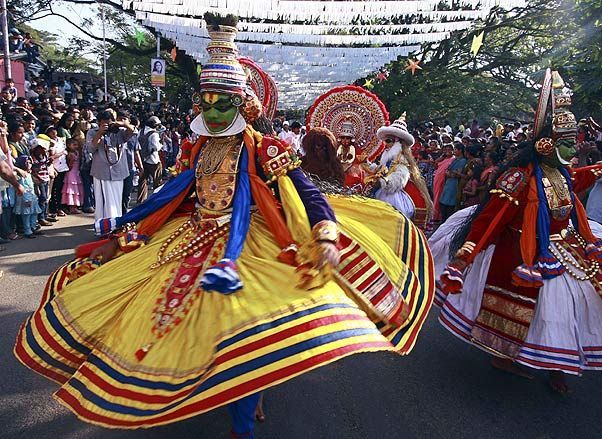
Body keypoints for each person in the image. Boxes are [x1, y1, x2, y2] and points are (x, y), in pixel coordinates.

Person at [15, 15, 433, 438]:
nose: (212, 112)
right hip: (190, 235)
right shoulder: (195, 146)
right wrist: (127, 227)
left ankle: (243, 422)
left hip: (250, 242)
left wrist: (325, 233)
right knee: (176, 322)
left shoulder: (265, 148)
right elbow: (173, 193)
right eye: (206, 102)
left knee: (245, 331)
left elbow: (311, 197)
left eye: (223, 104)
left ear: (242, 106)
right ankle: (200, 391)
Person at [430, 69, 602, 394]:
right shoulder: (519, 179)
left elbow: (580, 179)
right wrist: (464, 259)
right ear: (547, 144)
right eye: (567, 142)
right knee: (547, 313)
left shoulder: (561, 173)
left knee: (578, 307)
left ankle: (557, 363)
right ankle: (510, 358)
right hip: (524, 254)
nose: (575, 147)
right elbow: (490, 221)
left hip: (566, 246)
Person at [370, 113, 432, 224]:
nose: (386, 144)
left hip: (392, 196)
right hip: (382, 191)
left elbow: (400, 178)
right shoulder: (388, 157)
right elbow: (381, 169)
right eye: (386, 141)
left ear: (397, 142)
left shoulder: (401, 159)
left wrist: (383, 182)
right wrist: (368, 165)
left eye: (389, 141)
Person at [86, 110, 136, 226]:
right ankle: (102, 225)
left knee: (116, 200)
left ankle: (115, 224)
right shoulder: (92, 132)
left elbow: (134, 132)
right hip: (101, 172)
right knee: (101, 200)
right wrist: (100, 133)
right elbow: (90, 148)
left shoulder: (119, 131)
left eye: (109, 123)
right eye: (104, 123)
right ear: (99, 123)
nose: (108, 126)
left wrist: (123, 124)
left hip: (118, 171)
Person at [13, 155, 42, 239]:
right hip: (25, 197)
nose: (30, 164)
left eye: (30, 162)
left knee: (34, 212)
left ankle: (33, 227)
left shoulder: (29, 173)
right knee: (26, 214)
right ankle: (27, 231)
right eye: (27, 162)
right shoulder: (20, 175)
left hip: (32, 196)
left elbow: (32, 185)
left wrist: (36, 191)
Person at [136, 116, 163, 204]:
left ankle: (141, 200)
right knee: (157, 180)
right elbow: (156, 147)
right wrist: (161, 145)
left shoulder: (141, 131)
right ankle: (157, 199)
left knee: (143, 180)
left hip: (143, 159)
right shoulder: (154, 134)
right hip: (153, 160)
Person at [438, 143, 466, 220]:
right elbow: (448, 171)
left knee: (449, 205)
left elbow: (455, 174)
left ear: (460, 150)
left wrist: (450, 173)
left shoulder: (462, 161)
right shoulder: (455, 160)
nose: (454, 151)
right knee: (443, 203)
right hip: (448, 183)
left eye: (455, 149)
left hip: (454, 184)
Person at [61, 138, 83, 213]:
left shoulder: (77, 152)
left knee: (77, 189)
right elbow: (70, 165)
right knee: (72, 190)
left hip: (77, 172)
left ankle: (76, 205)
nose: (76, 146)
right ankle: (72, 207)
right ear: (68, 145)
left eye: (76, 145)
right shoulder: (70, 154)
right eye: (74, 145)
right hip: (71, 173)